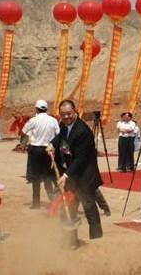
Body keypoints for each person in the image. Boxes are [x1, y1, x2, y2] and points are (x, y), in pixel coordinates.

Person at [47, 99, 103, 240]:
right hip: (72, 176)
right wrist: (52, 144)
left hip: (84, 177)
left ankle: (96, 240)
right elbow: (60, 138)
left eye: (68, 114)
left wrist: (65, 175)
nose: (66, 117)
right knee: (69, 208)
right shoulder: (64, 125)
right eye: (62, 114)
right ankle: (71, 240)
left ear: (75, 112)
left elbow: (80, 159)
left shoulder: (82, 132)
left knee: (89, 209)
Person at [22, 100, 60, 209]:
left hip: (35, 150)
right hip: (48, 150)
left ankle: (36, 203)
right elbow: (58, 134)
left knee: (36, 178)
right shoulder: (53, 120)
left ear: (37, 109)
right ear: (46, 109)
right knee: (48, 176)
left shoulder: (33, 120)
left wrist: (23, 144)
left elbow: (24, 131)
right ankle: (53, 201)